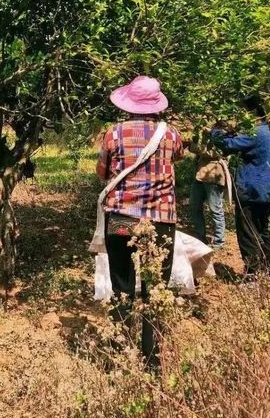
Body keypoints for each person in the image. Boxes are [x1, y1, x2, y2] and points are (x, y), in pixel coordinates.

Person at [95, 75, 183, 367]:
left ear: (128, 103)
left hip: (122, 220)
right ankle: (152, 362)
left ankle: (118, 355)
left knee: (121, 285)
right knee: (155, 288)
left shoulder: (114, 134)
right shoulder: (171, 135)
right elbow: (176, 160)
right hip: (160, 223)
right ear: (156, 105)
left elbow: (102, 172)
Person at [211, 98, 270, 280]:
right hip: (266, 189)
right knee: (262, 229)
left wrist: (216, 130)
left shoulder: (254, 133)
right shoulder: (269, 131)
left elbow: (227, 144)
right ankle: (269, 272)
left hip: (251, 189)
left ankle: (252, 275)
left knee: (247, 232)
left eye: (243, 112)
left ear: (252, 114)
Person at [189, 130, 228, 249]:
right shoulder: (208, 133)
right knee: (194, 206)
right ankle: (200, 236)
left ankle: (219, 241)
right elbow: (197, 149)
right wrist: (196, 141)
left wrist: (195, 145)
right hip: (201, 175)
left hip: (213, 177)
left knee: (215, 209)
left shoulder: (223, 134)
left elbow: (213, 152)